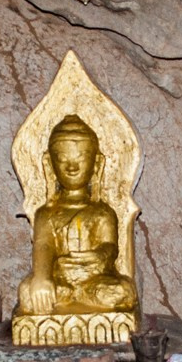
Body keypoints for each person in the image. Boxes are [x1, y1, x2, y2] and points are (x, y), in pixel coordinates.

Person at [17, 115, 136, 315]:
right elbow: (43, 247)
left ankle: (76, 299)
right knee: (28, 293)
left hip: (95, 281)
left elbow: (111, 248)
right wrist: (42, 278)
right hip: (59, 282)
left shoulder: (103, 212)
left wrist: (98, 257)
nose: (72, 167)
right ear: (49, 164)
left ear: (96, 164)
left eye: (81, 159)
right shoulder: (45, 214)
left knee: (123, 292)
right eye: (63, 160)